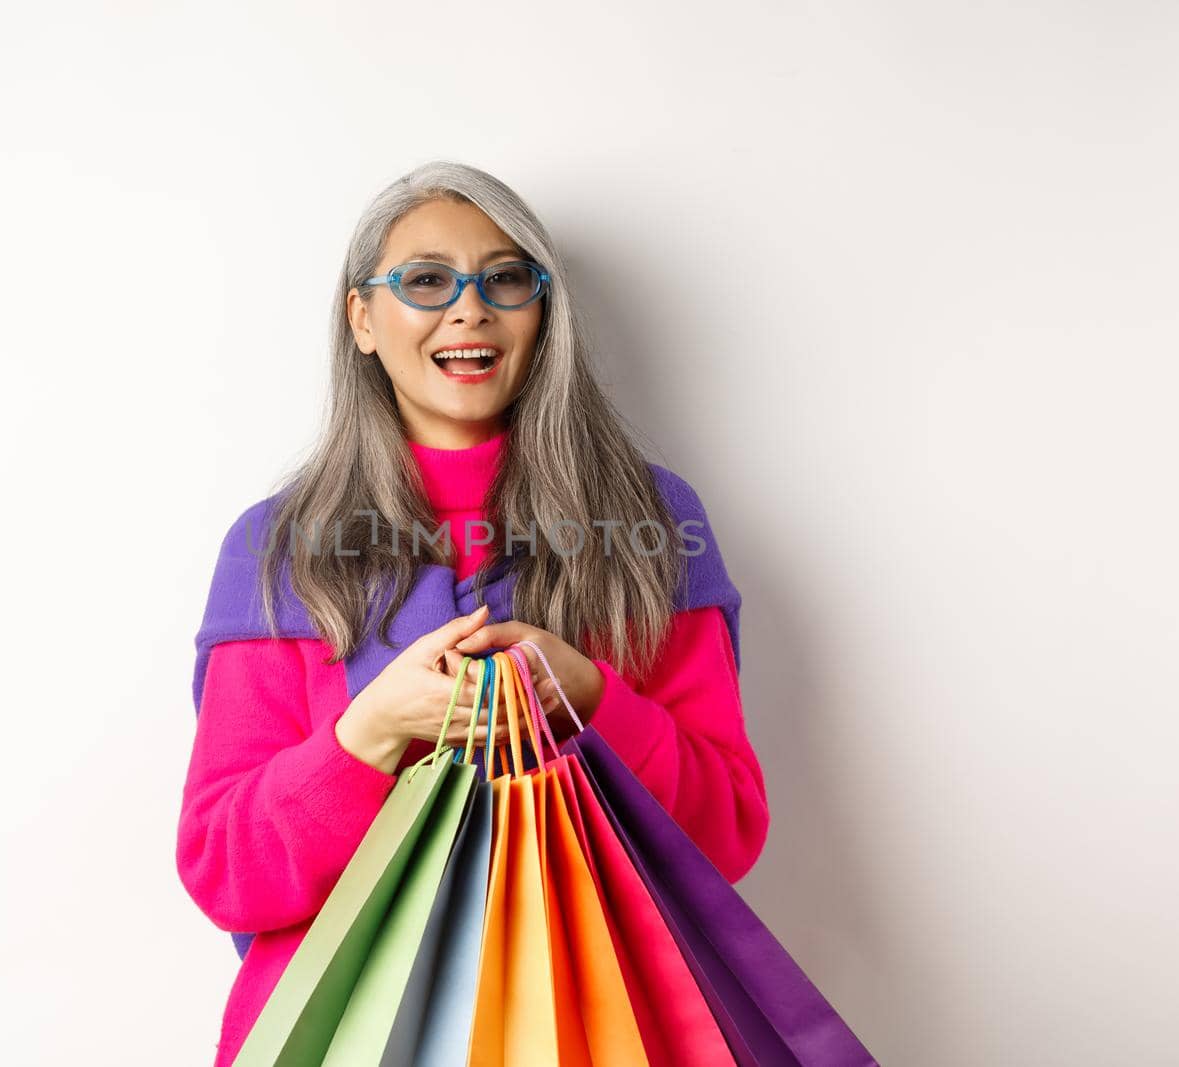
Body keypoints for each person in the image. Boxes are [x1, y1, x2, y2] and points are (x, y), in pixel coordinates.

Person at [175, 160, 771, 1066]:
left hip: (608, 1034)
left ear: (543, 312)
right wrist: (369, 733)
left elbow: (724, 830)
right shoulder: (276, 548)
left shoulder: (655, 523)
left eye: (505, 278)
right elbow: (227, 869)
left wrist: (588, 694)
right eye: (424, 281)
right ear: (362, 319)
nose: (469, 308)